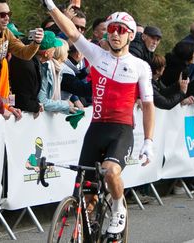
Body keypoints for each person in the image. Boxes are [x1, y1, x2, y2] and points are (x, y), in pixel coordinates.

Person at [41, 0, 155, 235]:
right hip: (96, 130)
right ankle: (89, 230)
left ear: (131, 36)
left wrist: (149, 141)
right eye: (111, 29)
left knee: (111, 171)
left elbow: (148, 106)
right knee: (86, 196)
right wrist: (50, 5)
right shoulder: (96, 56)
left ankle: (117, 206)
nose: (115, 34)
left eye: (121, 30)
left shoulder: (140, 66)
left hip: (121, 131)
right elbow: (71, 31)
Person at [0, 0, 43, 121]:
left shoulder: (6, 33)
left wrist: (36, 43)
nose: (7, 18)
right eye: (3, 14)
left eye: (9, 14)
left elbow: (25, 53)